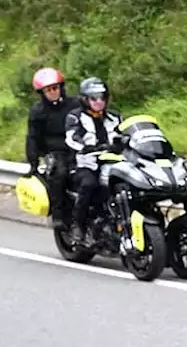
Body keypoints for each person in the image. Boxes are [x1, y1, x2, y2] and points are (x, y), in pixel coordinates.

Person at [64, 77, 123, 244]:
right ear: (84, 99)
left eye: (102, 97)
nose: (99, 102)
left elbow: (128, 134)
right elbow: (71, 138)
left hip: (113, 164)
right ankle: (78, 225)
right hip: (87, 164)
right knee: (89, 184)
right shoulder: (75, 117)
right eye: (94, 98)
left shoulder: (115, 117)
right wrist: (86, 147)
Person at [24, 67, 80, 227]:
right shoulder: (38, 112)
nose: (53, 92)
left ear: (61, 87)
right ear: (42, 93)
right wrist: (33, 164)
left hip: (78, 147)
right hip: (55, 151)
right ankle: (58, 215)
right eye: (48, 90)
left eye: (55, 88)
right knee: (60, 173)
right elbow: (32, 138)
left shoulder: (75, 104)